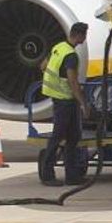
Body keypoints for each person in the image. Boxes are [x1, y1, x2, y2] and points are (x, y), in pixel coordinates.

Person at [40, 23, 93, 187]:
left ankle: (72, 175)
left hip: (57, 97)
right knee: (58, 137)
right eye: (84, 36)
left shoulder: (58, 47)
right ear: (80, 35)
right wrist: (83, 103)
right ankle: (47, 174)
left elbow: (43, 66)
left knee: (73, 138)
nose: (85, 39)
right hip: (66, 101)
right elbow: (72, 81)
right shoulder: (71, 55)